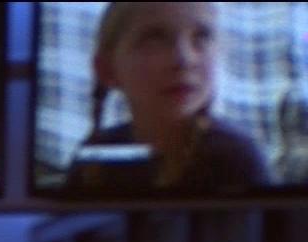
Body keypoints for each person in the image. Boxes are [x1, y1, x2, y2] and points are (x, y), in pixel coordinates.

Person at [64, 1, 271, 192]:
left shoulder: (236, 158)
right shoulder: (97, 157)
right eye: (155, 39)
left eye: (201, 36)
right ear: (107, 70)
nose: (184, 59)